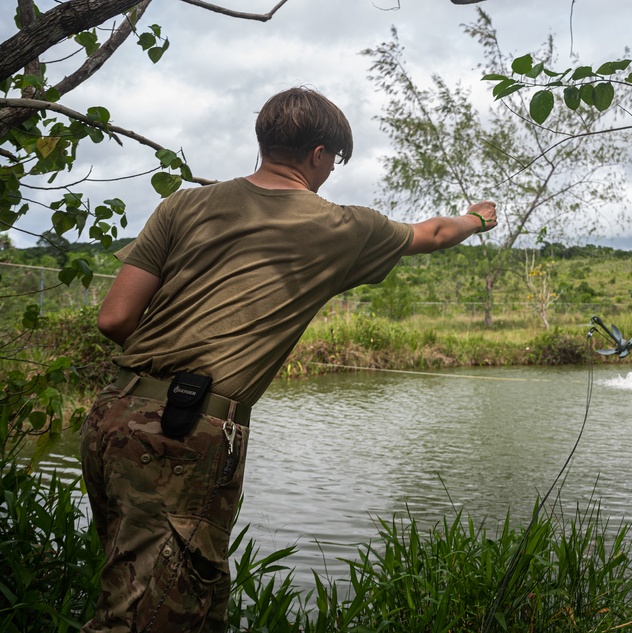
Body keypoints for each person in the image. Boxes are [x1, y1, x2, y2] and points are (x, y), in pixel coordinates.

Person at [79, 86, 498, 632]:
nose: (331, 173)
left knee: (164, 597)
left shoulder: (183, 204)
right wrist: (476, 218)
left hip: (112, 416)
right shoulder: (340, 226)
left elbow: (113, 319)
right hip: (185, 433)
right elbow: (434, 232)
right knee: (147, 619)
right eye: (335, 161)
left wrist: (169, 362)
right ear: (319, 154)